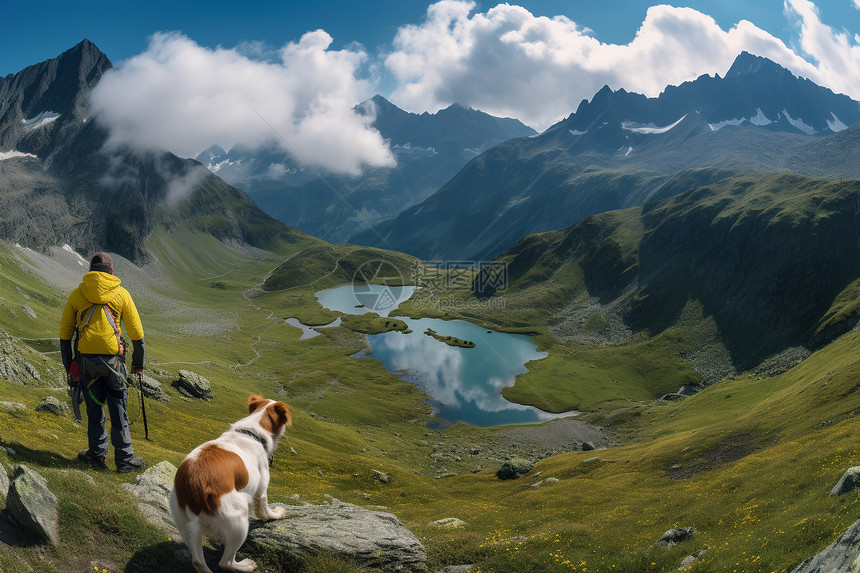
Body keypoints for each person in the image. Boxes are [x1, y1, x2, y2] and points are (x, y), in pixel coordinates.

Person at [60, 252, 147, 473]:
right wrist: (138, 364)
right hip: (114, 365)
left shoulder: (77, 295)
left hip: (87, 365)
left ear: (90, 269)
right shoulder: (122, 294)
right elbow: (138, 336)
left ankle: (96, 456)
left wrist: (69, 365)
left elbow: (65, 335)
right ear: (111, 271)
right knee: (118, 409)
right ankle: (125, 460)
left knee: (94, 409)